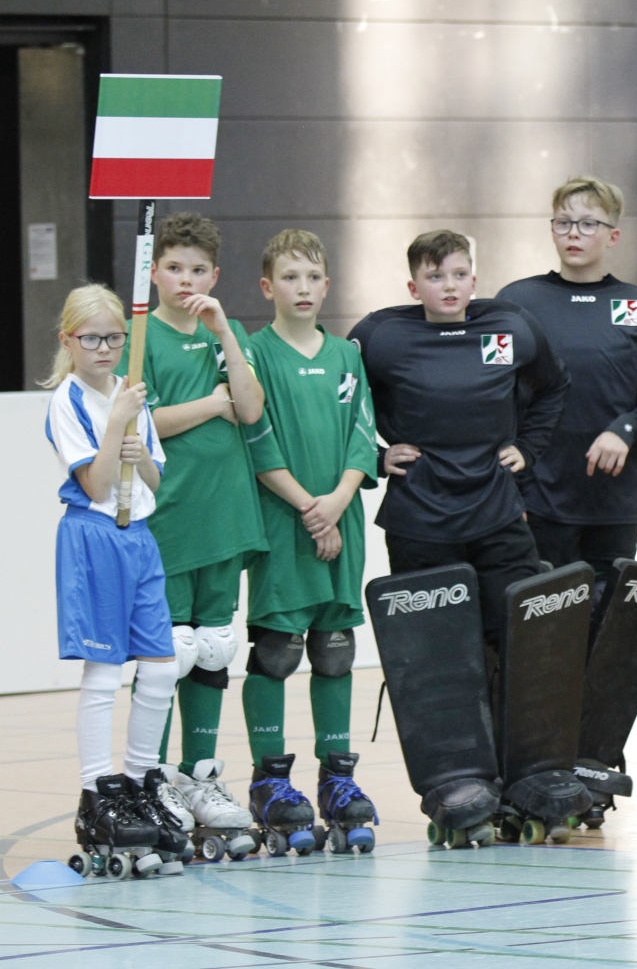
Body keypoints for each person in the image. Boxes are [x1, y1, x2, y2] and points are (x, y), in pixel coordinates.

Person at [350, 230, 569, 637]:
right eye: (435, 277)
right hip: (419, 520)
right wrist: (376, 457)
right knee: (434, 648)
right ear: (414, 288)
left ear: (473, 281)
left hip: (498, 515)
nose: (449, 286)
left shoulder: (511, 325)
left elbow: (554, 385)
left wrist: (529, 447)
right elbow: (338, 406)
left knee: (519, 638)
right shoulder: (380, 336)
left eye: (459, 274)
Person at [241, 230, 382, 854]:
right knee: (276, 651)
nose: (302, 288)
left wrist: (337, 502)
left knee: (334, 650)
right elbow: (256, 439)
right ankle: (269, 781)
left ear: (327, 285)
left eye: (312, 277)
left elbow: (363, 435)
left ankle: (337, 781)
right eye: (289, 277)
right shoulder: (253, 352)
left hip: (340, 518)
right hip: (284, 524)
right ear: (267, 287)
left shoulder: (348, 355)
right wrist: (307, 507)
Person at [45, 284, 185, 873]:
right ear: (68, 340)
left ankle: (139, 782)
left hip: (139, 537)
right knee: (104, 671)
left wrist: (137, 445)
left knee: (162, 666)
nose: (104, 348)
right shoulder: (67, 401)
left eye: (114, 337)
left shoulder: (131, 392)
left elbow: (154, 478)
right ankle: (97, 793)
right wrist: (117, 427)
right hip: (95, 535)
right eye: (92, 338)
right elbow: (98, 485)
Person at [497, 178, 637, 623]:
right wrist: (506, 492)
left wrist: (625, 430)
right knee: (542, 631)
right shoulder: (515, 303)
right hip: (536, 499)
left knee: (606, 630)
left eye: (587, 223)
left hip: (613, 503)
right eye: (563, 222)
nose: (573, 233)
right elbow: (491, 397)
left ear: (613, 235)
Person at [132, 214, 267, 795]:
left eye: (197, 270)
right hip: (170, 515)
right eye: (174, 268)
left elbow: (251, 408)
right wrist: (213, 405)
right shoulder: (140, 336)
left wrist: (226, 337)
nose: (185, 280)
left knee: (214, 647)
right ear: (154, 272)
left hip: (226, 514)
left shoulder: (225, 329)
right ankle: (151, 777)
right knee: (169, 652)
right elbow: (144, 423)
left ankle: (200, 774)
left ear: (214, 276)